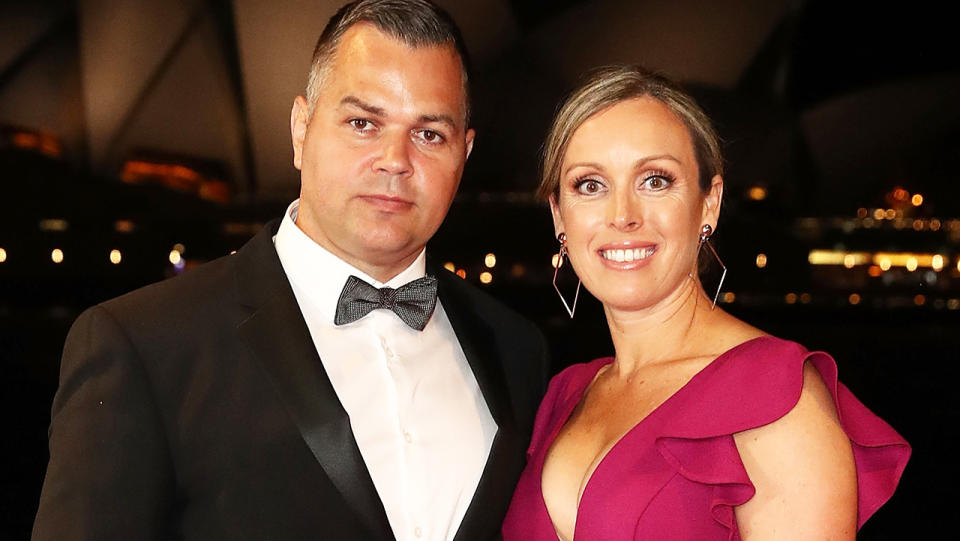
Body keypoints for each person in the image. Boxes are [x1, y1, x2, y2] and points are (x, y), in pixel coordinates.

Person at [32, 1, 548, 540]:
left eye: (429, 134)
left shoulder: (516, 351)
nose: (395, 159)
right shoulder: (143, 344)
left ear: (464, 153)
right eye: (362, 123)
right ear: (301, 129)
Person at [502, 66, 910, 540]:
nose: (622, 216)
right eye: (590, 185)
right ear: (559, 216)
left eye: (655, 181)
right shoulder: (561, 396)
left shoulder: (773, 394)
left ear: (709, 203)